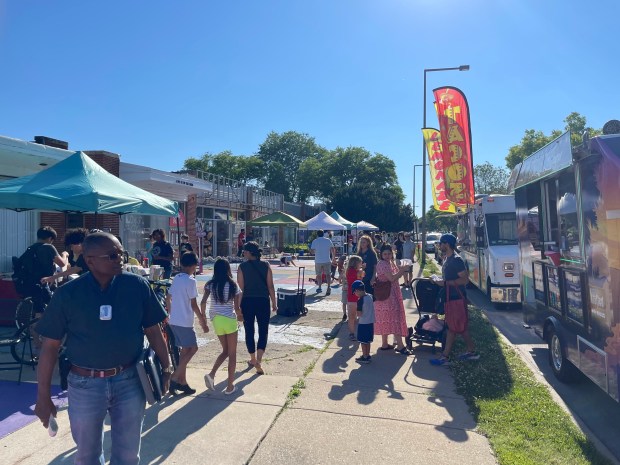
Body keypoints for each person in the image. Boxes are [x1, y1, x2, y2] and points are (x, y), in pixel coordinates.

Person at [34, 232, 172, 465]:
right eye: (112, 255)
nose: (120, 259)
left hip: (130, 381)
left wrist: (166, 368)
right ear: (90, 261)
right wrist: (43, 396)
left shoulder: (136, 285)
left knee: (128, 456)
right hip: (84, 384)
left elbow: (153, 330)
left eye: (121, 254)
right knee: (87, 457)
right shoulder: (68, 294)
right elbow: (49, 348)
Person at [430, 234, 479, 366]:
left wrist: (445, 283)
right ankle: (471, 351)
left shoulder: (456, 260)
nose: (439, 246)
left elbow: (464, 279)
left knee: (454, 327)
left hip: (456, 298)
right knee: (458, 327)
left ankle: (445, 356)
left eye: (441, 243)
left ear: (447, 244)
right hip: (450, 297)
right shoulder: (448, 258)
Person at [166, 252, 208, 395]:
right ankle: (175, 377)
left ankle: (182, 382)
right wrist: (202, 320)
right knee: (193, 348)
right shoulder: (191, 281)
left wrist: (171, 314)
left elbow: (168, 298)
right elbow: (194, 304)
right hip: (184, 322)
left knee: (185, 351)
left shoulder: (177, 278)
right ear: (192, 266)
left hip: (174, 321)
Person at [201, 258, 243, 395]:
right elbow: (236, 308)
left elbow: (202, 302)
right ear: (227, 269)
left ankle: (212, 374)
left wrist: (203, 319)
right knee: (232, 354)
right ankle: (230, 386)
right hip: (229, 320)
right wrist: (241, 317)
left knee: (225, 350)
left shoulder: (210, 284)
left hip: (216, 320)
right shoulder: (232, 285)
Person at [237, 241, 277, 375]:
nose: (243, 253)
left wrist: (237, 307)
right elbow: (270, 286)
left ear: (250, 252)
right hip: (263, 300)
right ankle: (259, 360)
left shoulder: (242, 267)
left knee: (249, 330)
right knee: (263, 330)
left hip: (247, 301)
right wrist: (274, 303)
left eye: (245, 251)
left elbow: (240, 289)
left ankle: (253, 359)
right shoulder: (266, 265)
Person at [20, 226, 67, 316]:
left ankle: (33, 329)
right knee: (52, 309)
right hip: (45, 283)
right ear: (50, 238)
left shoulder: (30, 248)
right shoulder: (48, 247)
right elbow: (62, 264)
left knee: (38, 309)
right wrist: (65, 255)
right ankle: (44, 329)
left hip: (31, 283)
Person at [374, 244, 410, 354]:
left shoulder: (387, 263)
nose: (387, 256)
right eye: (385, 254)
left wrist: (400, 269)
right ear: (381, 254)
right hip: (388, 295)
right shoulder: (383, 264)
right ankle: (400, 345)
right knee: (395, 318)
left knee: (386, 319)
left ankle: (385, 344)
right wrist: (402, 270)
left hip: (386, 295)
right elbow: (392, 278)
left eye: (389, 253)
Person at [352, 280, 375, 364]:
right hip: (370, 323)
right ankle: (367, 355)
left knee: (362, 342)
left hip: (363, 324)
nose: (355, 294)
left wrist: (356, 318)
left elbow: (359, 314)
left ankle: (364, 357)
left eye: (354, 292)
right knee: (368, 341)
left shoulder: (360, 301)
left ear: (357, 290)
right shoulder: (370, 296)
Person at [345, 255, 364, 340]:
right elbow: (361, 275)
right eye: (360, 262)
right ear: (356, 263)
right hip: (356, 296)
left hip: (352, 296)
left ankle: (352, 333)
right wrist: (362, 269)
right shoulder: (354, 271)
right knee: (356, 316)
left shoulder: (349, 270)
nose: (362, 264)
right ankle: (353, 333)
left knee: (352, 316)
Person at [311, 230, 335, 295]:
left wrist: (316, 251)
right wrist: (333, 258)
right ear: (323, 234)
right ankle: (329, 287)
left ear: (317, 234)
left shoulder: (315, 241)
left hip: (318, 260)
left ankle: (319, 287)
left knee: (319, 274)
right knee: (328, 274)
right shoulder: (328, 240)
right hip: (327, 260)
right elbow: (332, 249)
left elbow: (312, 251)